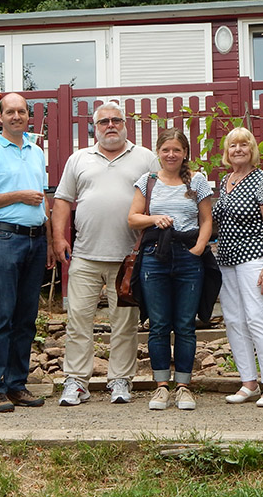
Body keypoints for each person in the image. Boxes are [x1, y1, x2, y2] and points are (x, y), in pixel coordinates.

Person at [52, 102, 160, 406]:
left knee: (125, 323)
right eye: (103, 122)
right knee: (78, 321)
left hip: (128, 257)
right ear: (94, 128)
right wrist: (59, 238)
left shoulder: (145, 158)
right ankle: (76, 382)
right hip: (85, 255)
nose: (110, 126)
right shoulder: (79, 159)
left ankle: (120, 381)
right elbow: (62, 201)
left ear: (125, 124)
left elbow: (161, 194)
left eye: (116, 120)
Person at [0, 92, 55, 413]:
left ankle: (17, 385)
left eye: (22, 111)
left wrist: (46, 237)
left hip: (35, 239)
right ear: (0, 117)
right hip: (5, 238)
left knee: (27, 317)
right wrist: (17, 196)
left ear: (27, 116)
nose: (16, 116)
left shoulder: (35, 151)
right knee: (3, 314)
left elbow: (42, 196)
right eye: (10, 112)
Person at [128, 128, 213, 411]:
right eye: (166, 150)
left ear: (185, 153)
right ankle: (161, 386)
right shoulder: (148, 181)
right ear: (158, 152)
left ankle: (184, 387)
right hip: (155, 257)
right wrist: (154, 218)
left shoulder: (198, 181)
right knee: (160, 325)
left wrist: (199, 248)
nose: (171, 155)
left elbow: (206, 220)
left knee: (186, 326)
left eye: (177, 150)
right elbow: (133, 218)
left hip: (188, 256)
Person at [212, 127, 263, 407]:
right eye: (232, 146)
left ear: (252, 149)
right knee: (234, 320)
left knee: (257, 317)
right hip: (227, 260)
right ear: (226, 152)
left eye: (244, 144)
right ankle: (248, 382)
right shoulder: (225, 181)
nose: (238, 149)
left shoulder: (262, 179)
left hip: (254, 257)